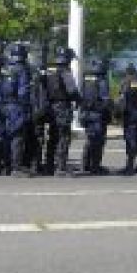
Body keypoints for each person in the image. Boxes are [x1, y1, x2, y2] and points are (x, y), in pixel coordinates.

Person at [44, 47, 80, 177]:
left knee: (52, 137)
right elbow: (72, 90)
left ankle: (49, 166)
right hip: (62, 107)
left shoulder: (49, 70)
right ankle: (60, 168)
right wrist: (78, 100)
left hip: (50, 107)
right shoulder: (65, 70)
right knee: (63, 137)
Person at [2, 43, 34, 177]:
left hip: (6, 105)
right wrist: (27, 106)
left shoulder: (7, 69)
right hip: (17, 106)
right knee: (18, 137)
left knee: (9, 136)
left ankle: (8, 166)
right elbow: (23, 91)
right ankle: (16, 168)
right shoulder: (22, 69)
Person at [80, 59, 111, 175]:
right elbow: (105, 100)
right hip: (97, 115)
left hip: (86, 114)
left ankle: (85, 165)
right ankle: (95, 167)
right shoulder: (102, 81)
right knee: (98, 141)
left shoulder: (86, 79)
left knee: (89, 140)